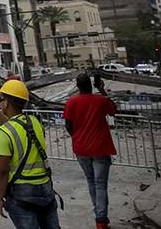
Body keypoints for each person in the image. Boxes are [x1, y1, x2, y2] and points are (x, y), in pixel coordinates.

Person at [0, 79, 60, 229]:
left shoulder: (3, 132)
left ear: (7, 103)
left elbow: (2, 170)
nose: (0, 103)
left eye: (1, 99)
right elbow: (17, 124)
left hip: (22, 193)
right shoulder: (35, 122)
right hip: (45, 187)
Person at [63, 72, 116, 229]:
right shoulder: (101, 101)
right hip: (100, 148)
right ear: (91, 85)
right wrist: (102, 90)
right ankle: (101, 218)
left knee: (91, 181)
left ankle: (99, 214)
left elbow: (68, 124)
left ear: (78, 87)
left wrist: (76, 137)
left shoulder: (72, 102)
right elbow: (113, 110)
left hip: (81, 148)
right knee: (100, 184)